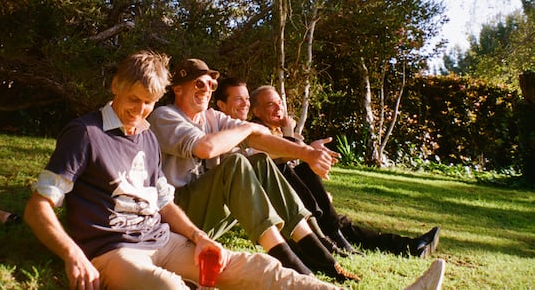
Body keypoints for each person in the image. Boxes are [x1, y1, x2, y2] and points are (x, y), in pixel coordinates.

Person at [23, 50, 349, 290]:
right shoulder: (85, 133)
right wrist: (73, 254)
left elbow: (163, 203)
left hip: (164, 241)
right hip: (115, 251)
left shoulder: (147, 136)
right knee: (170, 289)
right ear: (115, 86)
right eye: (134, 100)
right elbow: (38, 207)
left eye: (148, 102)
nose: (139, 112)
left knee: (256, 267)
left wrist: (199, 237)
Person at [147, 58, 361, 283]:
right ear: (177, 88)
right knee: (236, 164)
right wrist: (248, 127)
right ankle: (290, 262)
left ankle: (320, 257)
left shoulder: (212, 117)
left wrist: (307, 153)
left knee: (259, 161)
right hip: (175, 216)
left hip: (206, 216)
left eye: (211, 85)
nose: (207, 90)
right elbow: (206, 148)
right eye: (199, 84)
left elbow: (261, 140)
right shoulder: (164, 116)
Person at [245, 83, 440, 258]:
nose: (279, 108)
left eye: (280, 102)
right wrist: (300, 143)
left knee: (342, 225)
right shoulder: (255, 131)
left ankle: (409, 245)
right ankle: (334, 236)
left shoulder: (278, 131)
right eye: (271, 104)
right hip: (280, 203)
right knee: (310, 182)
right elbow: (275, 161)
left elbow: (295, 152)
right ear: (257, 111)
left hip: (302, 201)